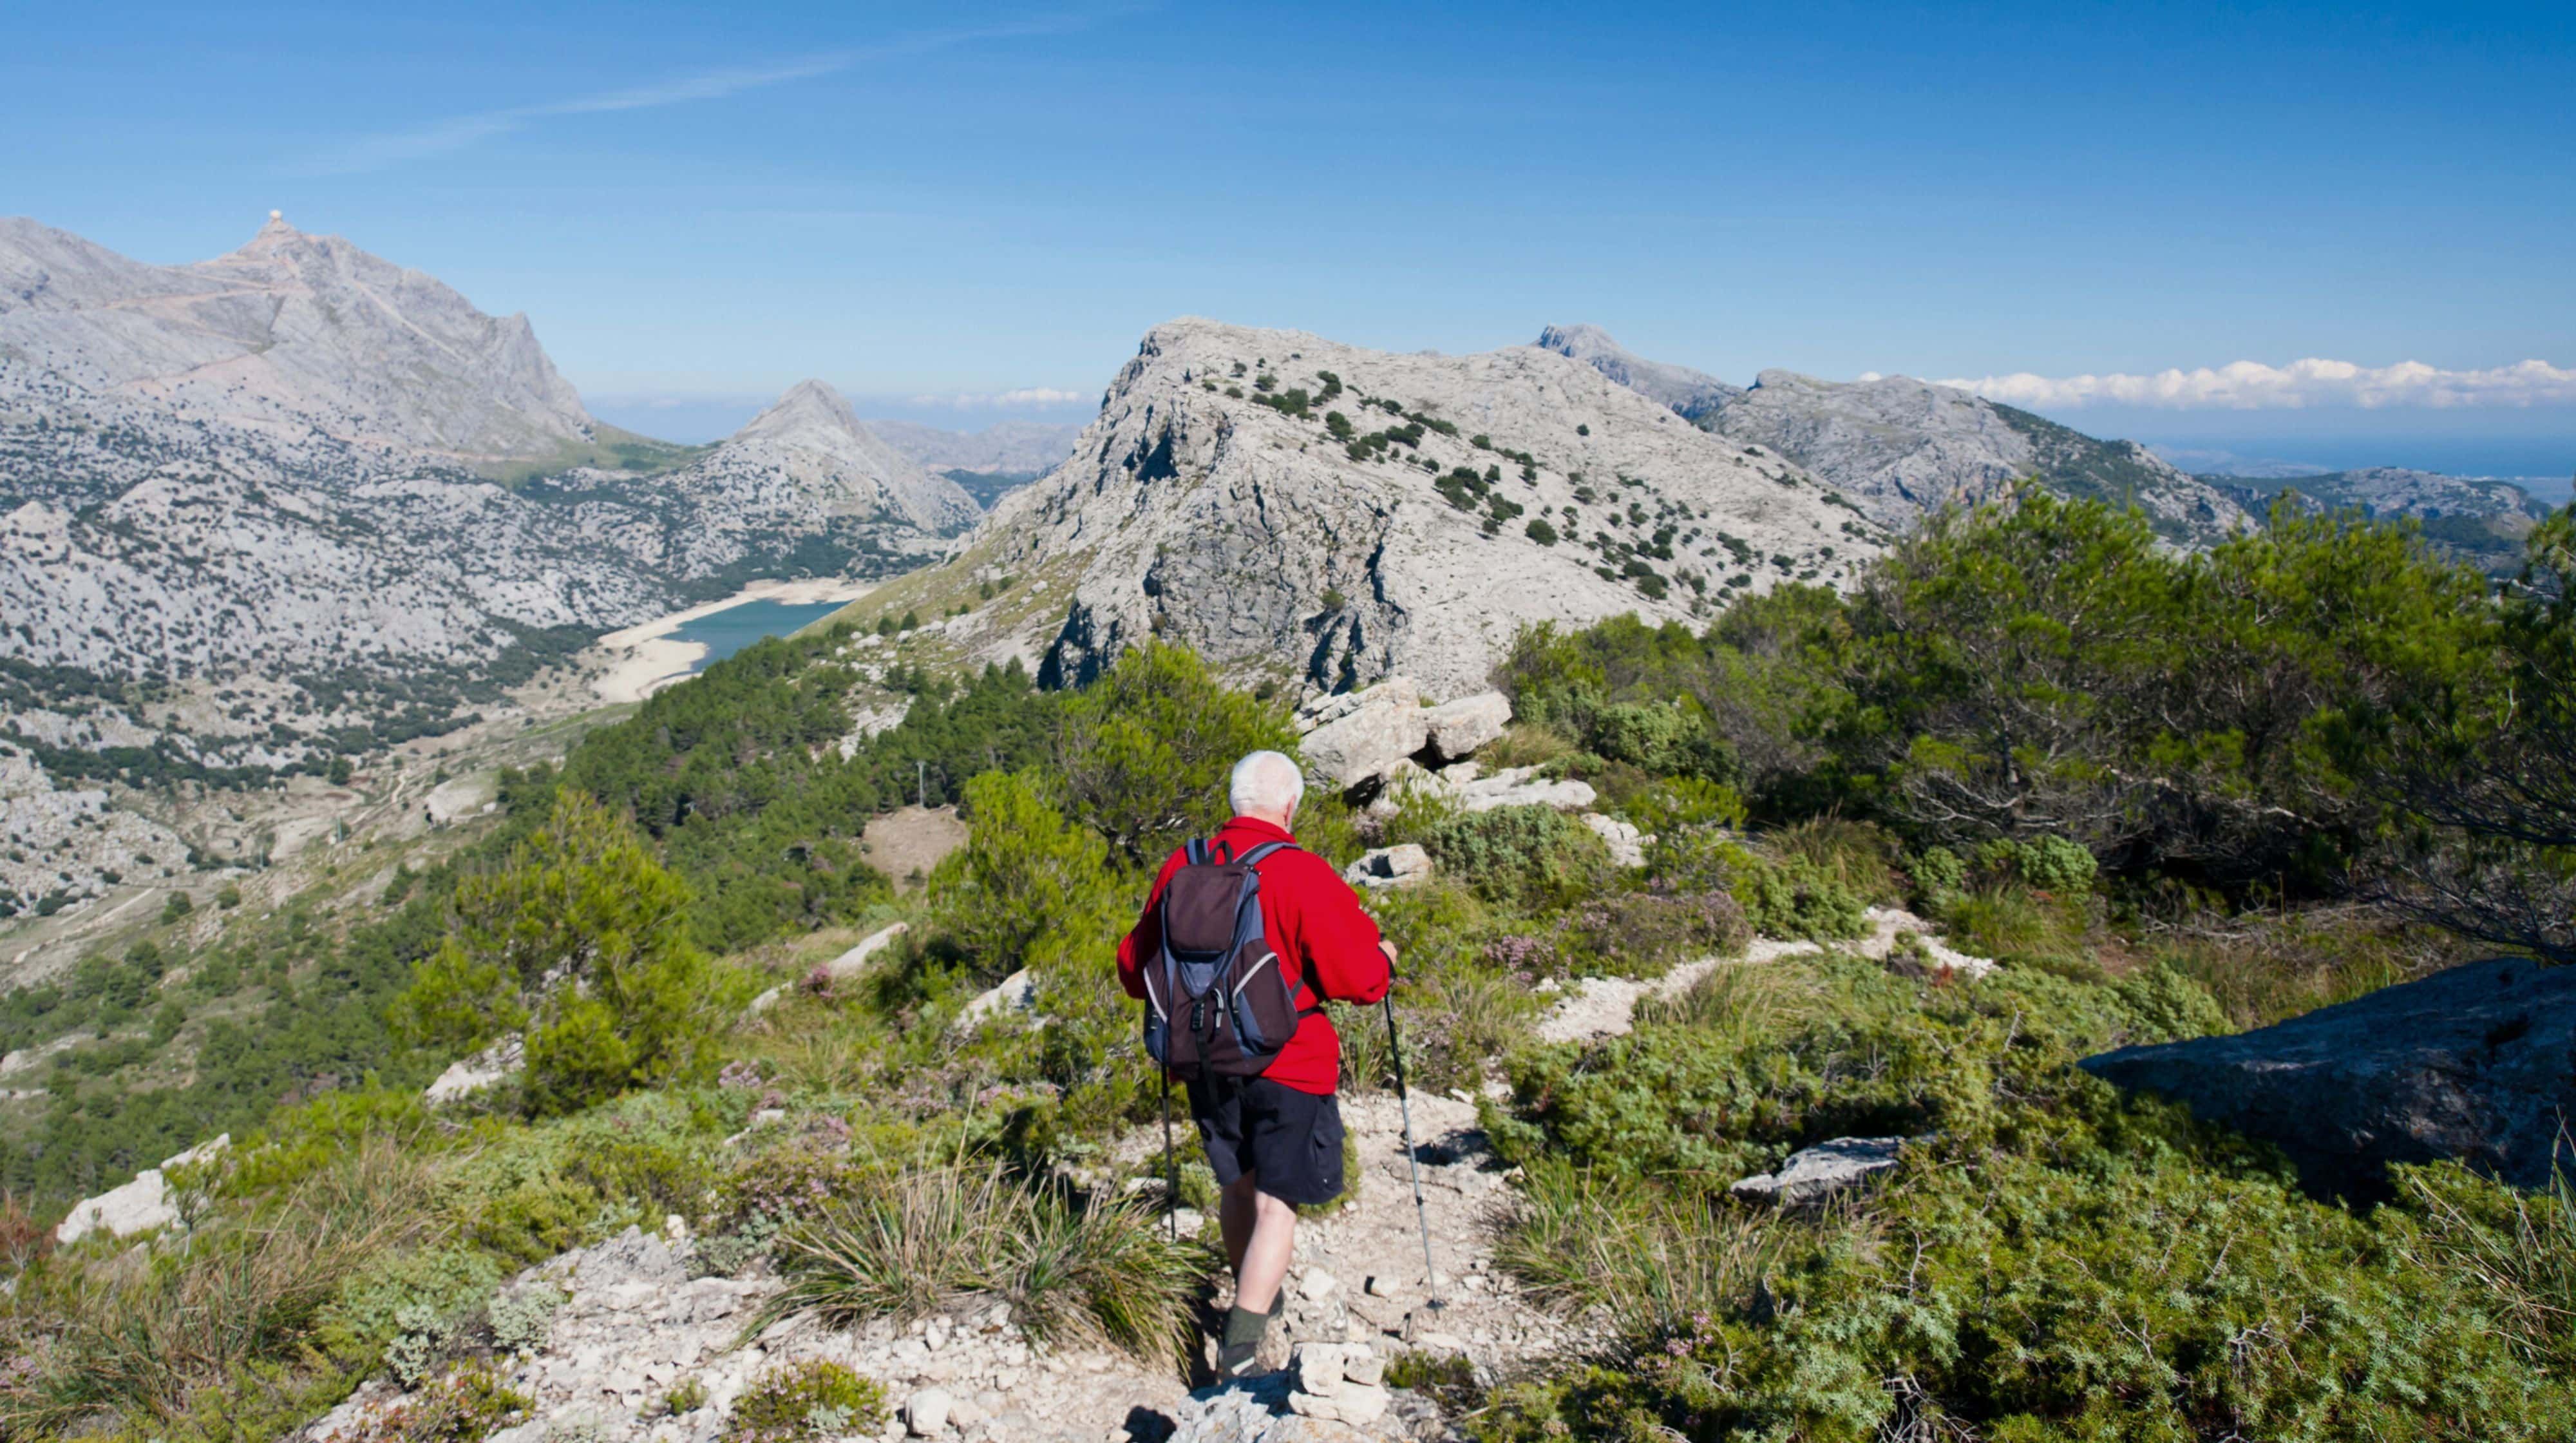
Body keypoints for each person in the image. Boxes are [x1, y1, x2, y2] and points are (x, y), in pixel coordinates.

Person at [1117, 749, 1395, 1376]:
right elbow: (1357, 977)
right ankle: (1240, 1350)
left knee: (1235, 1187)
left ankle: (1251, 1303)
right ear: (1289, 806)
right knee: (1277, 1204)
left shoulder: (1182, 865)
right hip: (1289, 1065)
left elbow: (1134, 967)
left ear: (1234, 802)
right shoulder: (1300, 871)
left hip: (1205, 1062)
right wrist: (1387, 960)